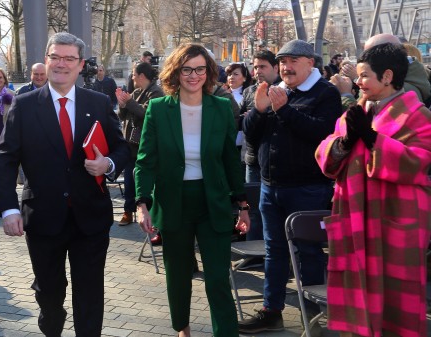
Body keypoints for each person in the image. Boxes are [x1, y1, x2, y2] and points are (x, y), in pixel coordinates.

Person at [0, 32, 130, 337]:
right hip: (43, 218)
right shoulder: (24, 105)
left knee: (90, 293)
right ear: (46, 60)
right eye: (55, 57)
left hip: (90, 217)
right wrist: (8, 209)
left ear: (81, 65)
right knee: (49, 293)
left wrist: (107, 165)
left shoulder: (99, 102)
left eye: (69, 59)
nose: (61, 64)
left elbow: (121, 149)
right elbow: (5, 159)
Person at [316, 43, 431, 337]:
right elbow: (326, 153)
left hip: (395, 220)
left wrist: (372, 139)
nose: (358, 82)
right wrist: (343, 143)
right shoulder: (356, 111)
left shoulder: (418, 115)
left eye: (364, 76)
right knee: (356, 296)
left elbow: (419, 162)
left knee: (396, 300)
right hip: (355, 216)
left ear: (388, 76)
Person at [134, 43, 250, 337]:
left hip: (213, 202)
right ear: (176, 72)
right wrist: (141, 203)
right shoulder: (158, 109)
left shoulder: (221, 108)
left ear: (208, 72)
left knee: (217, 279)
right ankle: (182, 330)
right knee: (179, 275)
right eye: (187, 69)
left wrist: (243, 205)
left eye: (200, 69)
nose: (194, 75)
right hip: (174, 202)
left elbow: (229, 160)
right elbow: (146, 161)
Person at [239, 39, 341, 334]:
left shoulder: (326, 93)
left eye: (293, 60)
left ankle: (314, 318)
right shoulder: (276, 92)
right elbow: (251, 136)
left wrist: (283, 111)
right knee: (274, 252)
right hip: (270, 187)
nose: (286, 67)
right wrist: (258, 111)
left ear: (311, 63)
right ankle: (272, 311)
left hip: (307, 189)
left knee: (307, 253)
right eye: (282, 61)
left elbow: (322, 134)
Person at [238, 50, 280, 262]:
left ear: (275, 67)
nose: (258, 71)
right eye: (255, 67)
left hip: (274, 161)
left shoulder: (283, 90)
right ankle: (253, 255)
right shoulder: (249, 91)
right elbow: (241, 124)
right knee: (252, 208)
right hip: (252, 158)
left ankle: (272, 255)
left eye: (262, 66)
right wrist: (248, 117)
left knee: (272, 211)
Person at [115, 62, 164, 226]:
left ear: (142, 76)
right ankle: (128, 211)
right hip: (130, 145)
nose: (133, 78)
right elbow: (123, 117)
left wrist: (129, 102)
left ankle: (148, 213)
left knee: (142, 181)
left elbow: (147, 113)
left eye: (134, 74)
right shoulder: (136, 92)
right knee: (129, 181)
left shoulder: (156, 93)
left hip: (145, 145)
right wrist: (122, 105)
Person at [340, 33, 431, 104]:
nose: (365, 58)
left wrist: (346, 94)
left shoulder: (396, 92)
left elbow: (361, 123)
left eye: (369, 54)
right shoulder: (409, 78)